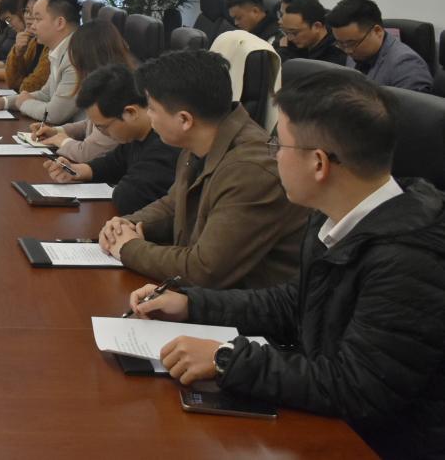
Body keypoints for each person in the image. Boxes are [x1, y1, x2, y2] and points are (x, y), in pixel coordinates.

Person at [130, 70, 445, 458]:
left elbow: (356, 387)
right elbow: (295, 303)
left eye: (278, 143)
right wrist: (191, 304)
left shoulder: (408, 258)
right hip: (334, 419)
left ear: (318, 164)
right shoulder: (335, 216)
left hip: (378, 443)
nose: (273, 154)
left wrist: (225, 359)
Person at [97, 50, 307, 289]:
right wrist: (126, 224)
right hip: (206, 296)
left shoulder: (250, 170)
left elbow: (204, 270)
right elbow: (174, 204)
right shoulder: (200, 140)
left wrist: (128, 248)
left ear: (184, 120)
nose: (149, 116)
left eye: (152, 108)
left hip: (243, 302)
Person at [42, 65, 179, 214]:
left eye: (103, 127)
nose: (104, 133)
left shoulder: (165, 143)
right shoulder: (136, 136)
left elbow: (129, 197)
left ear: (130, 113)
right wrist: (78, 170)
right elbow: (113, 163)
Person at [32, 19, 135, 163]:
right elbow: (91, 124)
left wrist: (61, 141)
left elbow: (86, 153)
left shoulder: (116, 90)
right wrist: (57, 131)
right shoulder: (108, 82)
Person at [0, 0, 82, 123]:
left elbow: (54, 114)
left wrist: (23, 103)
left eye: (38, 19)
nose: (32, 26)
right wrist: (4, 102)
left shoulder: (76, 56)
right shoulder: (59, 50)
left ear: (60, 23)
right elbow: (46, 95)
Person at [326, 0, 432, 93]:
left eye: (351, 43)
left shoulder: (406, 65)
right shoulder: (354, 50)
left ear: (377, 31)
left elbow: (409, 107)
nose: (348, 51)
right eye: (340, 43)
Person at [278, 0, 347, 66]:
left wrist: (283, 54)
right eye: (286, 32)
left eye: (294, 33)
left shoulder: (335, 56)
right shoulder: (296, 45)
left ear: (317, 26)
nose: (289, 38)